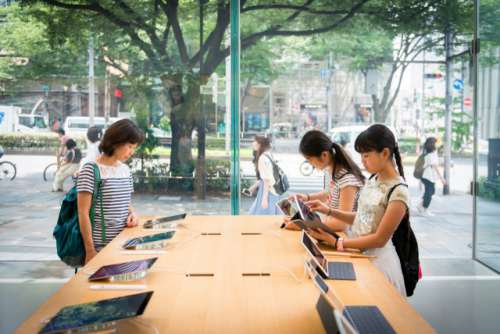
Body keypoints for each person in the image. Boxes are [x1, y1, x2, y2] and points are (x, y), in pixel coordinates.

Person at [306, 124, 409, 296]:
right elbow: (362, 217)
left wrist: (337, 242)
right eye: (361, 156)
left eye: (366, 155)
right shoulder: (374, 180)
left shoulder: (398, 191)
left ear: (384, 153)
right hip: (359, 253)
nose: (363, 161)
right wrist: (329, 211)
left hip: (379, 263)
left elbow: (379, 239)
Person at [77, 119, 145, 265]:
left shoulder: (125, 170)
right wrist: (90, 251)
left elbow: (125, 202)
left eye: (134, 148)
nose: (132, 152)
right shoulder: (91, 170)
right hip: (100, 248)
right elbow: (82, 213)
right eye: (130, 147)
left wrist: (132, 214)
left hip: (124, 243)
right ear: (116, 141)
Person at [283, 130, 364, 232]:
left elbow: (342, 224)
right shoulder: (333, 171)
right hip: (332, 231)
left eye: (309, 159)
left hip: (345, 237)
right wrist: (307, 197)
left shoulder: (348, 181)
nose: (310, 164)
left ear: (324, 155)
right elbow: (330, 193)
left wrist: (304, 224)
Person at [247, 135, 281, 215]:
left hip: (267, 191)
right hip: (273, 190)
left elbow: (266, 180)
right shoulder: (268, 155)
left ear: (259, 144)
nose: (252, 143)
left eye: (254, 141)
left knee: (261, 215)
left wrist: (264, 198)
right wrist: (253, 187)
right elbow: (265, 178)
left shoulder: (262, 158)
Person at [417, 137, 446, 216]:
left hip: (428, 176)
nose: (437, 144)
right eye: (436, 143)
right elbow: (435, 167)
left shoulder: (429, 152)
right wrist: (442, 178)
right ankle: (425, 209)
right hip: (428, 176)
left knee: (431, 192)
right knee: (429, 193)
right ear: (432, 144)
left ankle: (420, 205)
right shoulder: (431, 154)